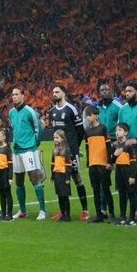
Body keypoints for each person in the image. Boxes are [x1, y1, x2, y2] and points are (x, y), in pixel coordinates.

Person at [48, 84, 89, 221]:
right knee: (60, 180)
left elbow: (80, 130)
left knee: (77, 178)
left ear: (64, 93)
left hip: (71, 152)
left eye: (57, 92)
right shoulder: (52, 111)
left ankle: (85, 210)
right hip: (58, 153)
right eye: (53, 92)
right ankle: (63, 211)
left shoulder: (71, 109)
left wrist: (74, 147)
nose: (54, 94)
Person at [8, 87, 47, 220]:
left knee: (34, 178)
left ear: (23, 96)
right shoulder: (11, 112)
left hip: (29, 149)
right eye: (12, 94)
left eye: (16, 94)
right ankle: (23, 210)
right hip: (17, 150)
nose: (14, 96)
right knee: (19, 181)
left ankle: (43, 210)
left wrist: (34, 143)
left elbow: (39, 127)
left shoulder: (30, 111)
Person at [83, 105, 114, 223]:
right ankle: (99, 215)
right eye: (86, 116)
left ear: (96, 116)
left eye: (89, 115)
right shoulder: (87, 132)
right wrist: (88, 163)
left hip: (103, 164)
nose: (87, 118)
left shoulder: (103, 128)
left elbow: (108, 146)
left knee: (106, 189)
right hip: (93, 164)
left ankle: (111, 214)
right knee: (95, 190)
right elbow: (87, 149)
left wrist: (110, 162)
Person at [112, 122, 137, 226]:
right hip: (119, 171)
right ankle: (122, 216)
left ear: (126, 132)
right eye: (116, 130)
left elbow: (134, 162)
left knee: (131, 194)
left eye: (120, 130)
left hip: (128, 171)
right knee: (121, 194)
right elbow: (112, 160)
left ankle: (132, 218)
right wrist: (114, 155)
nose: (117, 132)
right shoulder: (115, 145)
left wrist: (132, 176)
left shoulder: (129, 146)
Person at [50, 130, 73, 223]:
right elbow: (52, 164)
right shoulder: (54, 150)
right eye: (54, 138)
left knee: (65, 196)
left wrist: (68, 177)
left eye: (57, 137)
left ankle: (68, 215)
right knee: (59, 196)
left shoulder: (66, 150)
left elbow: (68, 164)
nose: (55, 139)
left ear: (62, 139)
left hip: (64, 175)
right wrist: (52, 176)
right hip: (57, 175)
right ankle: (63, 214)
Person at [0, 130, 14, 221]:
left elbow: (10, 164)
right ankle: (3, 214)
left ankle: (10, 214)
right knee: (1, 194)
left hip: (5, 173)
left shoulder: (7, 149)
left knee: (7, 194)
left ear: (4, 137)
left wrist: (10, 177)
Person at [116, 81, 137, 150]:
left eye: (130, 91)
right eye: (126, 91)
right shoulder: (122, 109)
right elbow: (119, 128)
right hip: (126, 149)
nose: (127, 93)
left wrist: (136, 139)